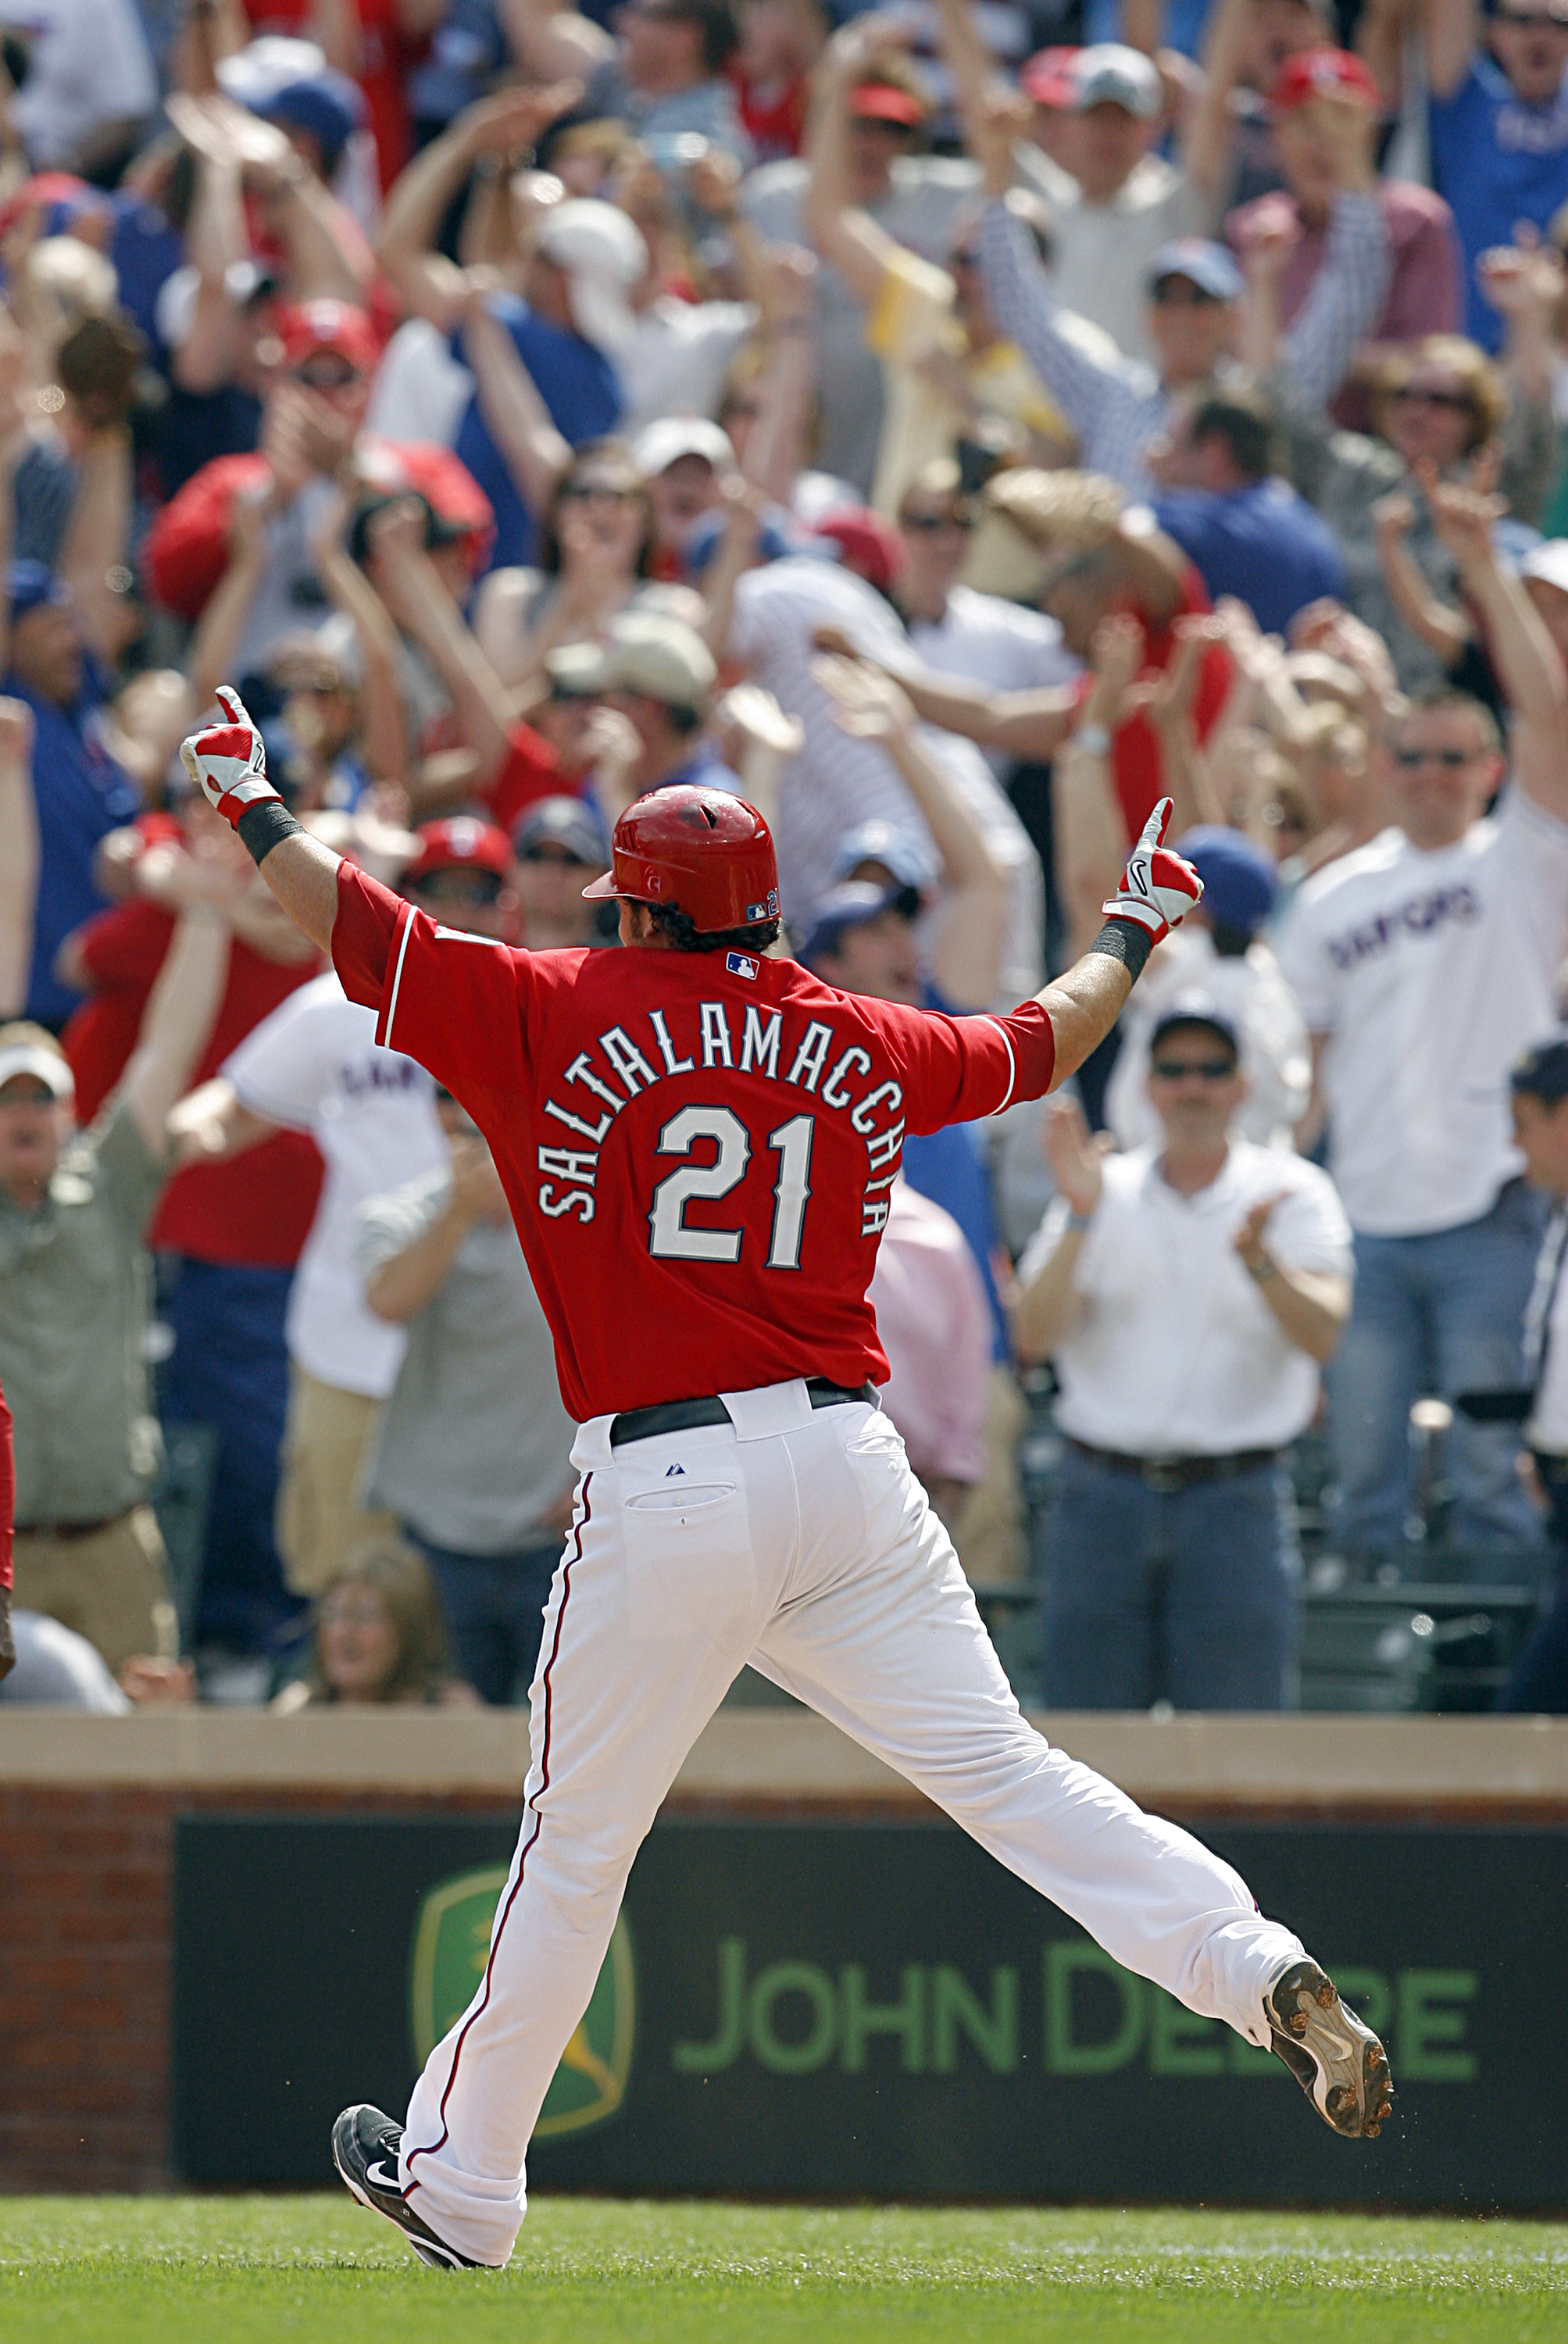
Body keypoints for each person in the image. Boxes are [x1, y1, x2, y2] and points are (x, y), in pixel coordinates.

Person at [180, 684, 1391, 2273]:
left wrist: (249, 797)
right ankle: (1257, 1965)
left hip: (667, 1472)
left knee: (574, 1845)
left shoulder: (551, 999)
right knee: (1015, 1779)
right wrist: (1134, 919)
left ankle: (464, 2184)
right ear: (760, 907)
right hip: (846, 1464)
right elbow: (1045, 1038)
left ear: (626, 898)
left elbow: (360, 918)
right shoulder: (855, 1029)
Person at [1276, 481, 1568, 1556]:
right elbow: (1299, 1074)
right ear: (1382, 770)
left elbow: (1546, 711)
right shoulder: (1331, 896)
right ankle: (1370, 1699)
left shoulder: (1524, 859)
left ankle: (1493, 1704)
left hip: (1491, 1209)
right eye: (1411, 757)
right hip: (1366, 1218)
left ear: (1489, 771)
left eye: (1454, 757)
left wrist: (1481, 566)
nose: (1433, 775)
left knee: (1491, 1468)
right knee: (1362, 1473)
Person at [1015, 1003, 1352, 1711]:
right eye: (1172, 1070)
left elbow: (1323, 1335)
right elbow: (1033, 1337)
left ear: (1242, 1084)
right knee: (1087, 1748)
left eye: (1211, 1069)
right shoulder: (1097, 1187)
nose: (1191, 1086)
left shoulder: (1293, 1191)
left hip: (1236, 1499)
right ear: (1148, 1085)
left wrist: (1261, 1263)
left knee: (1239, 1752)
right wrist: (1080, 1213)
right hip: (1100, 1497)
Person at [0, 909, 232, 1674]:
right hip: (4, 1556)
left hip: (111, 1541)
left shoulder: (108, 1186)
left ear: (69, 1114)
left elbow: (169, 1046)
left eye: (41, 1099)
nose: (24, 1115)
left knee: (144, 1747)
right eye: (7, 1100)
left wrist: (209, 911)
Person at [356, 1089, 579, 1706]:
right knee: (445, 1743)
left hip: (558, 1536)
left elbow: (646, 1342)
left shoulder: (581, 1213)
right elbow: (387, 1300)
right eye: (447, 1099)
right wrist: (458, 1211)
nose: (466, 1118)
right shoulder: (401, 1213)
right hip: (439, 1540)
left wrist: (599, 1475)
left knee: (562, 1729)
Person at [1491, 1034, 1568, 1710]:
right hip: (1559, 1496)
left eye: (1523, 1124)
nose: (1515, 1147)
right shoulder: (1555, 1219)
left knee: (1525, 1713)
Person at [1150, 388, 1348, 637]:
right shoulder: (1308, 522)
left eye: (1172, 445)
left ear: (1215, 453)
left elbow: (1118, 528)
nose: (1153, 457)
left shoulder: (1204, 524)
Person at [273, 1540, 479, 1710]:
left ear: (409, 1628)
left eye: (364, 1616)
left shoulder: (451, 1713)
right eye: (332, 1613)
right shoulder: (295, 1711)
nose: (344, 1633)